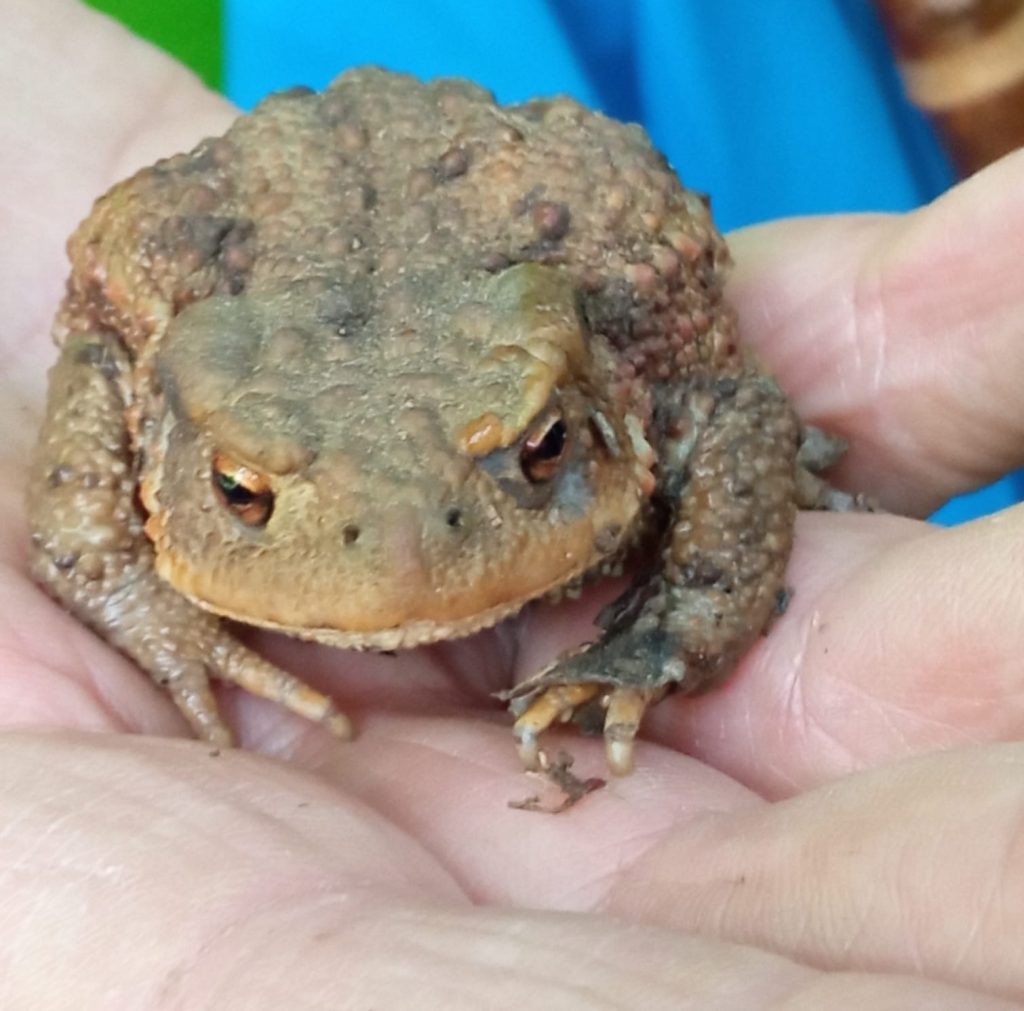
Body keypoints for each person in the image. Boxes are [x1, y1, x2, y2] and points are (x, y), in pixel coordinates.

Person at [3, 1, 1023, 1005]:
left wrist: (684, 621)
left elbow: (732, 410)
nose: (399, 553)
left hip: (525, 232)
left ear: (577, 413)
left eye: (535, 454)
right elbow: (97, 369)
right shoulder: (163, 333)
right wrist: (122, 582)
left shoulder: (604, 329)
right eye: (245, 492)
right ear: (191, 449)